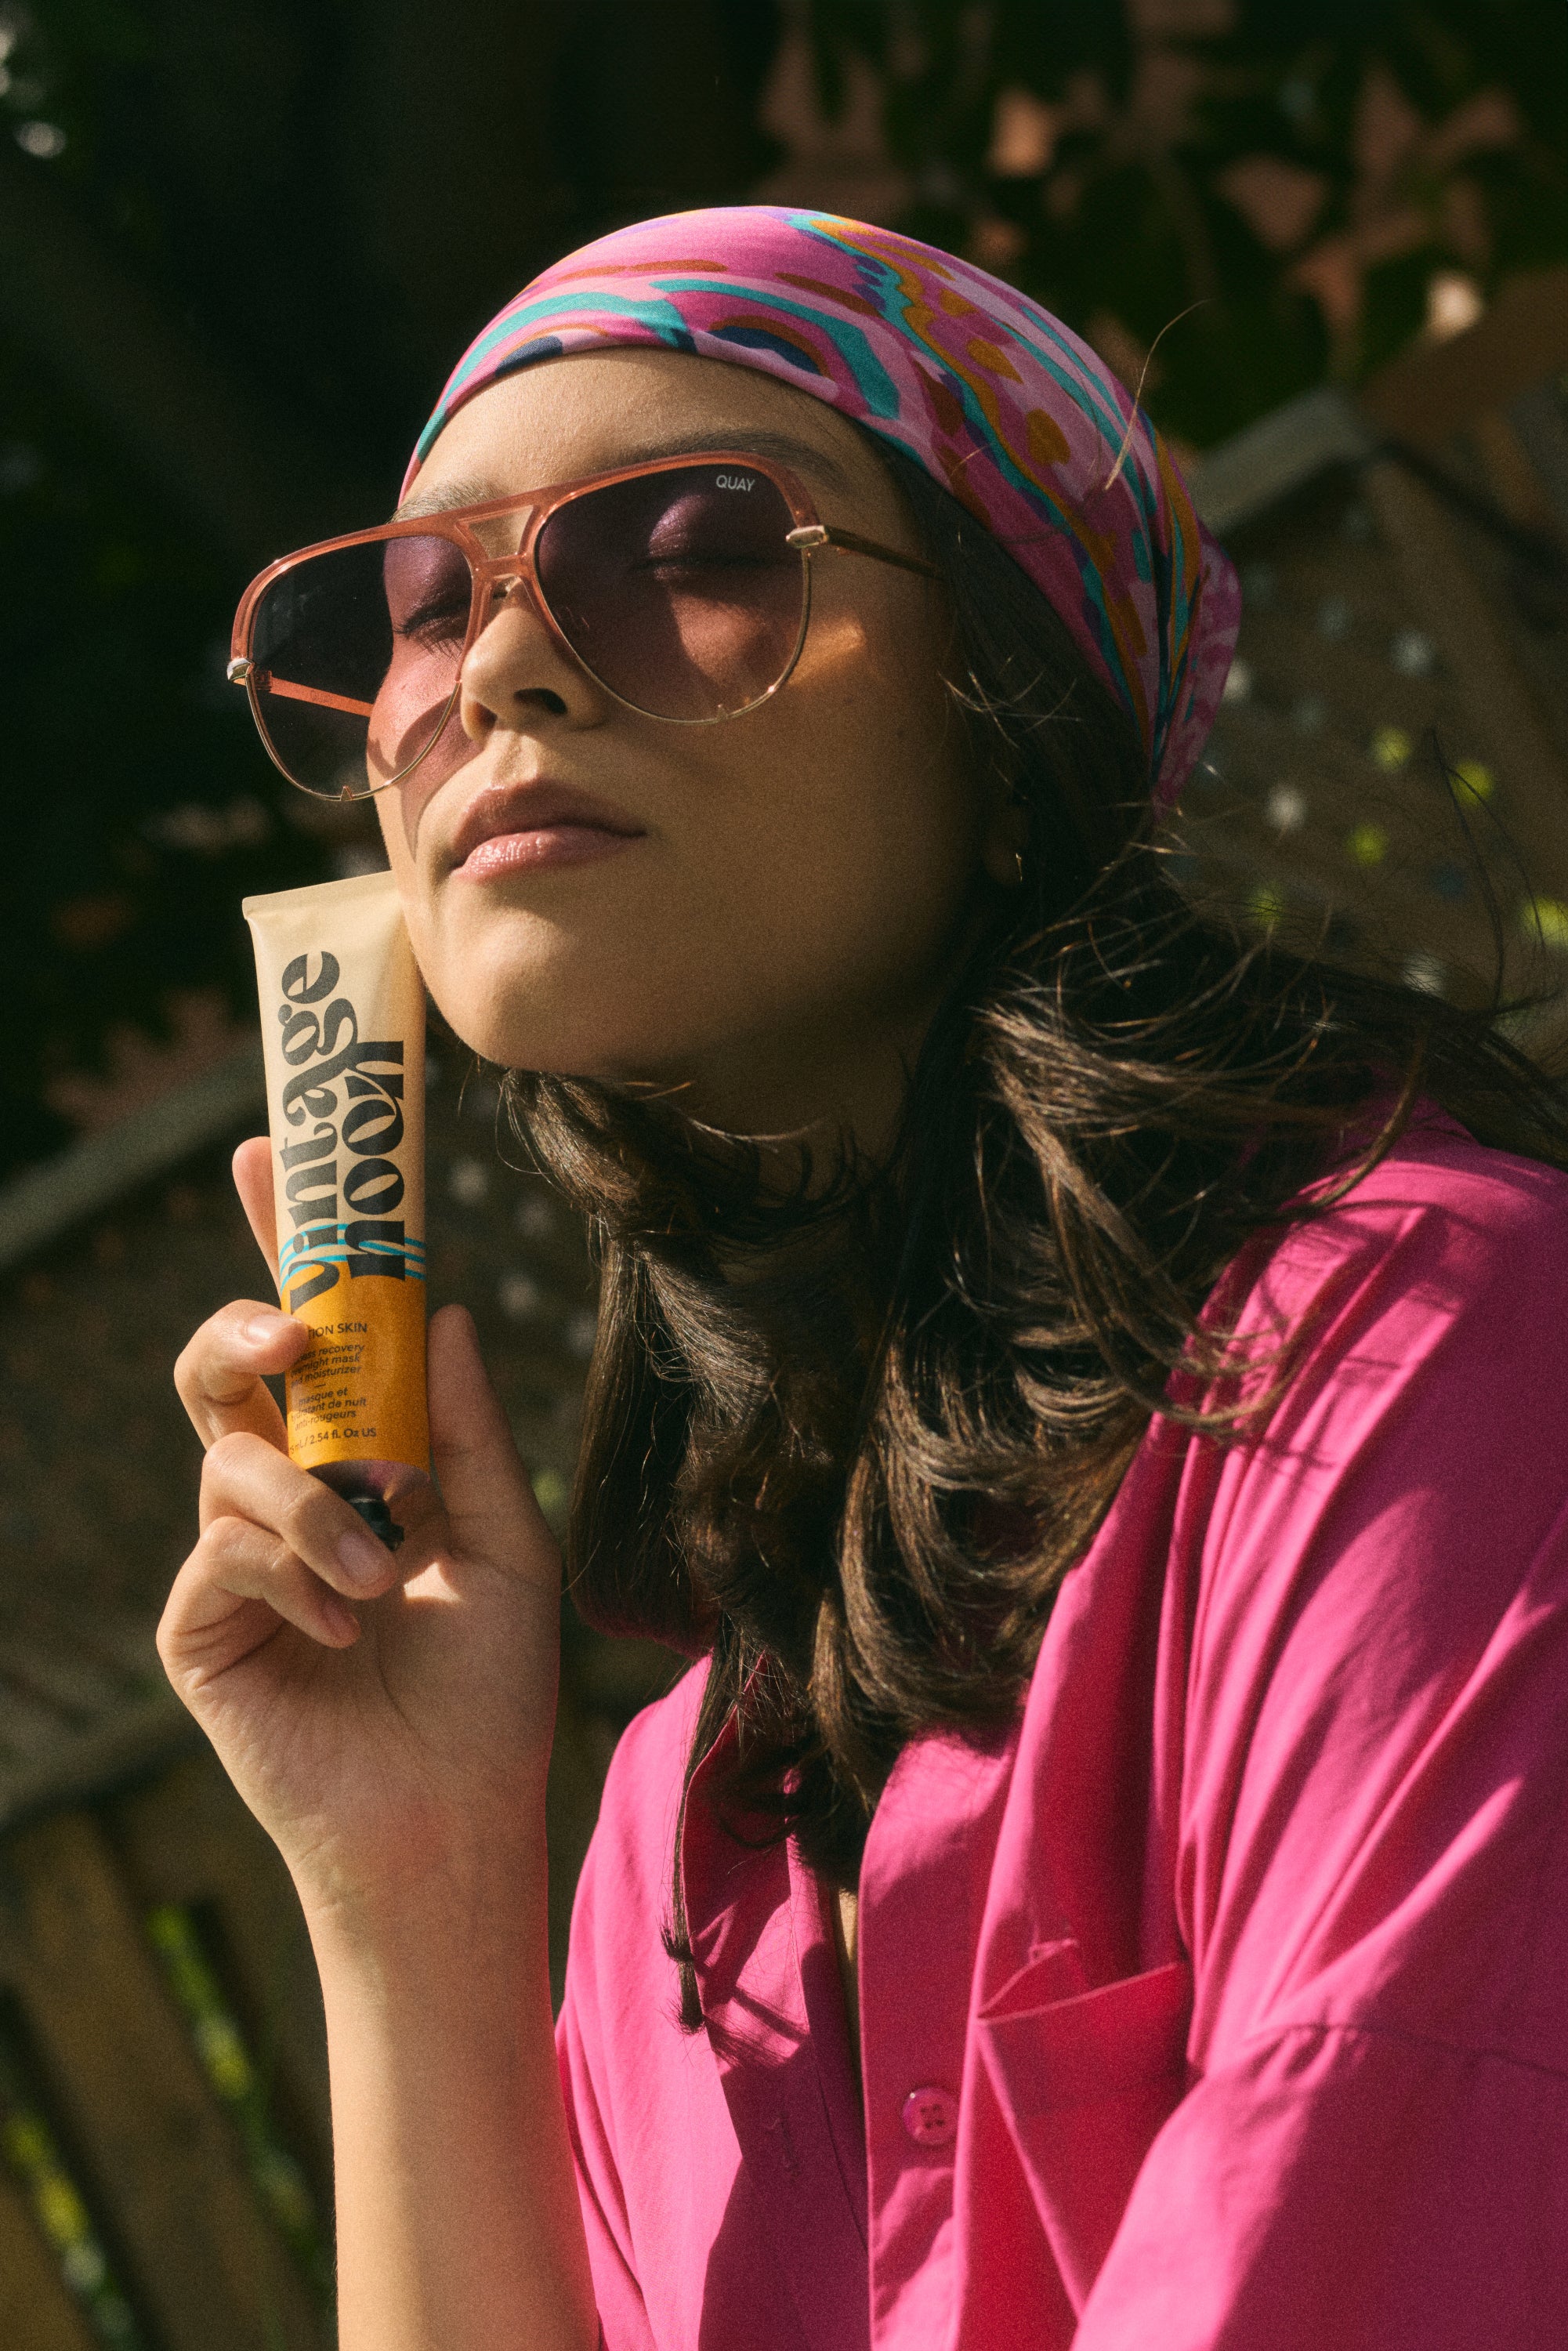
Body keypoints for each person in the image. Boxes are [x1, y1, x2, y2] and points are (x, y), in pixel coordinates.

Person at [163, 208, 1568, 2351]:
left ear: (1005, 725)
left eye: (690, 546)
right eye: (425, 606)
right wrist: (409, 1889)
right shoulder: (675, 1823)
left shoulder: (1418, 1354)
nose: (503, 670)